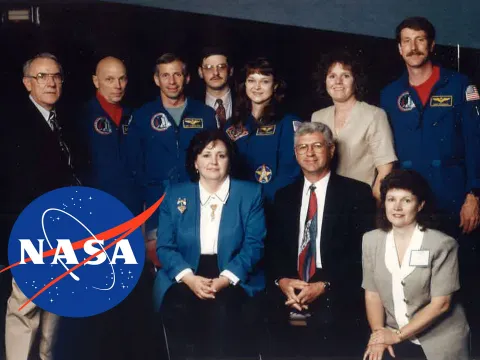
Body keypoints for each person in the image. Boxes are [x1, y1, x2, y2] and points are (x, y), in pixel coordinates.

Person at [155, 129, 265, 359]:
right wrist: (190, 279)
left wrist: (224, 280)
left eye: (221, 156)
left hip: (232, 273)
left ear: (230, 161)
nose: (213, 162)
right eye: (205, 155)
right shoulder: (175, 194)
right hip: (187, 272)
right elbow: (165, 247)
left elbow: (254, 246)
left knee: (224, 312)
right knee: (179, 308)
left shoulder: (250, 193)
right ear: (195, 161)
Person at [268, 122, 375, 355]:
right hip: (291, 284)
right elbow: (273, 248)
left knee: (328, 327)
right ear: (295, 153)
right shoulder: (283, 196)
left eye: (317, 146)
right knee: (261, 318)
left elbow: (362, 254)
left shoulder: (357, 193)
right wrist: (282, 281)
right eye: (303, 147)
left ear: (331, 150)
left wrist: (324, 285)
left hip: (335, 285)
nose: (310, 153)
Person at [1, 53, 78, 360]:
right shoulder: (13, 126)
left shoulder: (66, 122)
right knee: (26, 305)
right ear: (27, 84)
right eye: (42, 77)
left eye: (56, 76)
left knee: (56, 304)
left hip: (65, 228)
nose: (50, 82)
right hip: (30, 227)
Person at [380, 17, 480, 236]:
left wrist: (474, 195)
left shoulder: (458, 85)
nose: (413, 48)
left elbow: (475, 142)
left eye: (420, 40)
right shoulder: (390, 94)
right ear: (399, 48)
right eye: (406, 41)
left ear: (432, 45)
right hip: (408, 201)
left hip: (453, 198)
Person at [362, 169, 470, 360]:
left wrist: (396, 336)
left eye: (406, 200)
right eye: (391, 199)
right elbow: (372, 294)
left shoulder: (442, 244)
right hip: (393, 334)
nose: (397, 207)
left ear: (420, 205)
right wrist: (380, 335)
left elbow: (441, 304)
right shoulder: (371, 241)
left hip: (438, 340)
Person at [128, 53, 217, 244]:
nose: (172, 81)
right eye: (165, 75)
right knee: (160, 264)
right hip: (157, 206)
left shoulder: (205, 114)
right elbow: (134, 167)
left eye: (177, 74)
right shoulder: (143, 116)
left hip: (197, 203)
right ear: (156, 79)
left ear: (187, 78)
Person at [312, 50, 397, 201]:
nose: (338, 81)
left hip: (360, 201)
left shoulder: (374, 115)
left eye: (345, 75)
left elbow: (385, 168)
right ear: (324, 81)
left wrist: (373, 203)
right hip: (324, 200)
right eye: (332, 76)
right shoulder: (318, 117)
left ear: (356, 80)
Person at [224, 57, 301, 208]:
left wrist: (260, 200)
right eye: (251, 80)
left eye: (264, 81)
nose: (257, 87)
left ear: (275, 85)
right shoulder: (231, 125)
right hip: (235, 204)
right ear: (244, 84)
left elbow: (291, 173)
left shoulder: (287, 123)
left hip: (273, 205)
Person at [75, 56, 141, 215]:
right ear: (96, 81)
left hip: (131, 207)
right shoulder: (82, 116)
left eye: (122, 79)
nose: (117, 86)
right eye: (110, 79)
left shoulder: (134, 115)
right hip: (96, 207)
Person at [198, 46, 235, 129]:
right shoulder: (192, 104)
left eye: (221, 67)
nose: (215, 73)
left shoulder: (246, 101)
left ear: (231, 71)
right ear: (200, 72)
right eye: (208, 68)